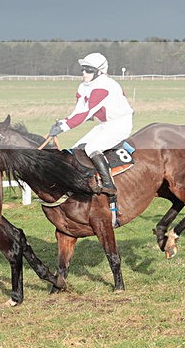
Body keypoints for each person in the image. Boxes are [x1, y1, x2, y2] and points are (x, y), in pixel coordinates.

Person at [48, 52, 134, 225]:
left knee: (90, 148)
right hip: (104, 124)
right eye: (83, 69)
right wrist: (63, 122)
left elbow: (87, 113)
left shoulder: (104, 86)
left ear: (100, 71)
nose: (84, 73)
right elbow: (79, 110)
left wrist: (64, 127)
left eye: (88, 70)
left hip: (120, 124)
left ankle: (109, 184)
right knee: (76, 148)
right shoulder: (84, 86)